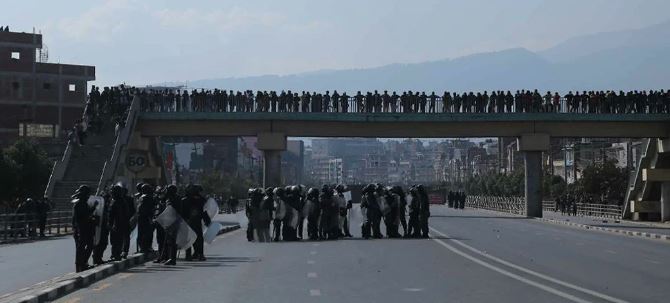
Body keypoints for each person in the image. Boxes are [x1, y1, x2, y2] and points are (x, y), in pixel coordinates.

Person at [71, 185, 97, 272]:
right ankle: (80, 265)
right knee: (81, 247)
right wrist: (93, 208)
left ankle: (83, 263)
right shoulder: (79, 204)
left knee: (89, 245)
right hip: (81, 229)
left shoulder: (83, 203)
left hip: (85, 228)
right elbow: (84, 215)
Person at [182, 185, 210, 261]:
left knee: (189, 238)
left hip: (189, 222)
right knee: (197, 238)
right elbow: (204, 212)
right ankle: (199, 254)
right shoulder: (201, 200)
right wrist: (207, 220)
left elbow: (203, 211)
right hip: (194, 222)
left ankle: (191, 255)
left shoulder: (185, 200)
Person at [161, 184, 182, 265]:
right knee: (169, 240)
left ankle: (172, 259)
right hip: (171, 221)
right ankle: (170, 257)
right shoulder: (172, 198)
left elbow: (171, 210)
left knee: (172, 241)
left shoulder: (173, 199)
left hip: (173, 222)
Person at [109, 183, 130, 261]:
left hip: (117, 225)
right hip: (119, 224)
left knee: (116, 241)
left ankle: (116, 255)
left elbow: (116, 215)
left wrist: (113, 224)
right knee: (117, 241)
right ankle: (116, 254)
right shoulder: (119, 201)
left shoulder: (118, 202)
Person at [137, 184, 156, 254]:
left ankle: (143, 247)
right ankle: (146, 247)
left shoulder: (140, 197)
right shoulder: (148, 197)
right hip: (147, 218)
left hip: (141, 218)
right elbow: (151, 208)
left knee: (141, 233)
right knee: (148, 233)